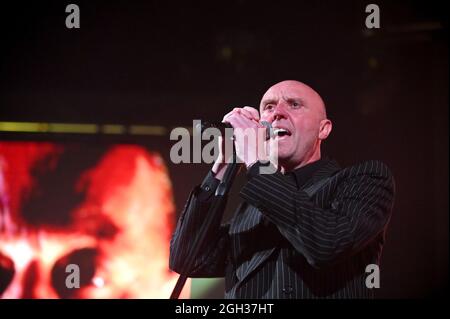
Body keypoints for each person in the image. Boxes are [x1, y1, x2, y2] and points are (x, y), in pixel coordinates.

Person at [169, 80, 395, 298]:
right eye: (268, 107)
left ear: (323, 129)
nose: (277, 113)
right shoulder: (252, 207)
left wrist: (258, 164)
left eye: (294, 104)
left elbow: (327, 244)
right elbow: (189, 260)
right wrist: (222, 167)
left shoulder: (365, 179)